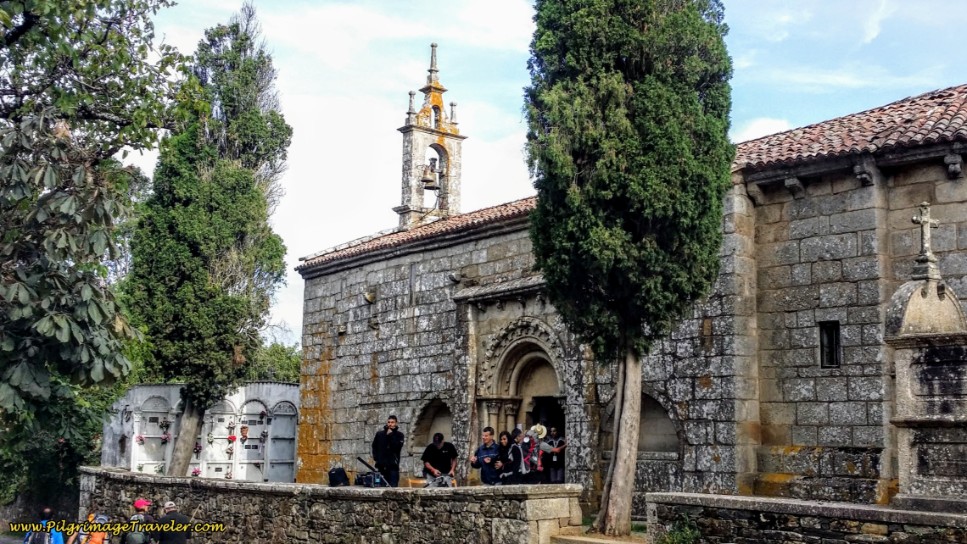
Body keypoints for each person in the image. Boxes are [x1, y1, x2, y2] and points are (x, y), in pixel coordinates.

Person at [371, 414, 405, 487]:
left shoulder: (399, 435)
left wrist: (391, 435)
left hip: (393, 466)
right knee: (380, 486)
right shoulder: (379, 434)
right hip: (381, 466)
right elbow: (374, 446)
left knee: (393, 486)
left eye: (392, 422)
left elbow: (397, 447)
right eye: (389, 422)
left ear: (396, 423)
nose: (390, 424)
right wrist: (376, 458)